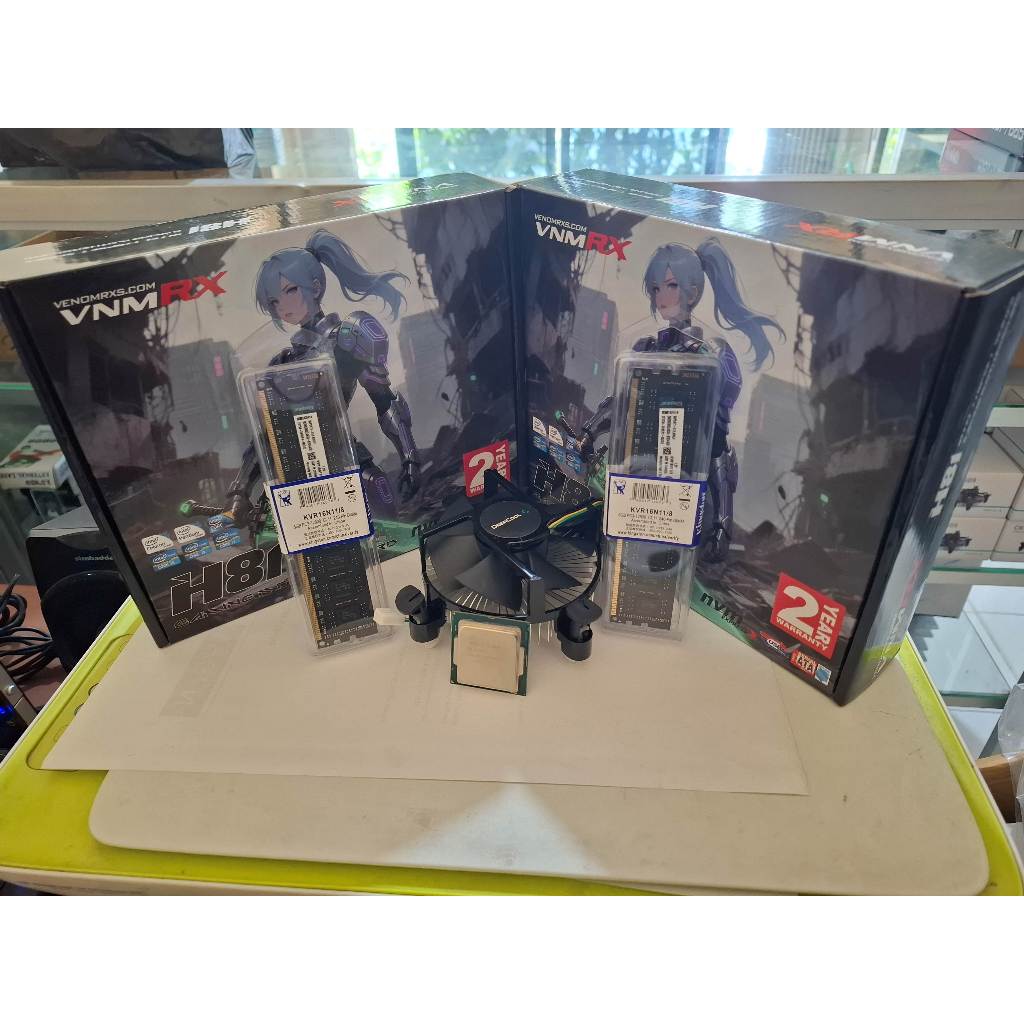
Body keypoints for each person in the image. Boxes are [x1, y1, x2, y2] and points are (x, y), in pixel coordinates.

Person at [581, 239, 784, 560]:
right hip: (639, 472)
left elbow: (716, 442)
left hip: (684, 474)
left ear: (692, 292)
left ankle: (712, 528)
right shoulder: (645, 348)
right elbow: (621, 403)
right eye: (656, 288)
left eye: (671, 286)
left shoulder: (711, 354)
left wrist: (722, 523)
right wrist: (589, 433)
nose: (661, 296)